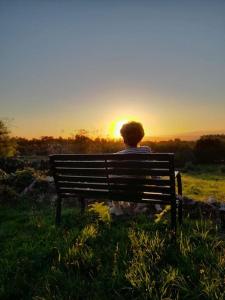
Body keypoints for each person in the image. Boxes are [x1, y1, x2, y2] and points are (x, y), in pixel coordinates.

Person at [109, 121, 162, 216]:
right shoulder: (146, 150)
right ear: (140, 137)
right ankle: (152, 207)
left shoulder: (116, 156)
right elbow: (154, 174)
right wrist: (159, 186)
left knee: (113, 180)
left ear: (123, 139)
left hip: (123, 192)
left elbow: (112, 178)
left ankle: (118, 209)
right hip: (139, 191)